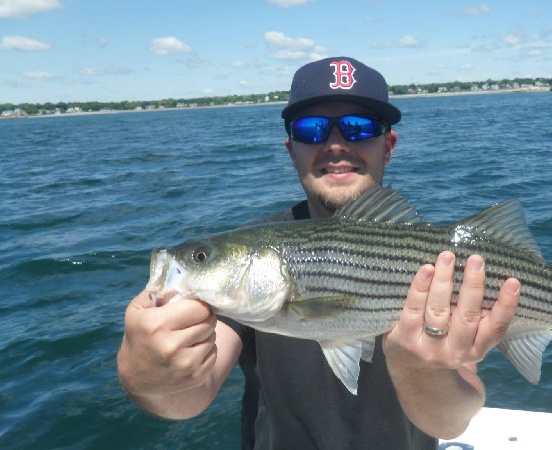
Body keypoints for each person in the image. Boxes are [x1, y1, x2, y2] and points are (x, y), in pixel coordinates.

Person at [117, 56, 521, 449]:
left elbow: (451, 422)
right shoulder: (252, 243)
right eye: (312, 129)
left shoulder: (446, 261)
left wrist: (420, 370)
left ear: (389, 144)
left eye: (359, 127)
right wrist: (149, 376)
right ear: (292, 149)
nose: (335, 144)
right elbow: (188, 397)